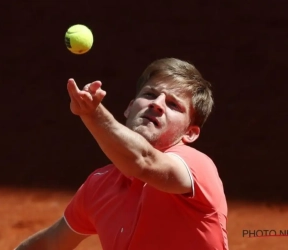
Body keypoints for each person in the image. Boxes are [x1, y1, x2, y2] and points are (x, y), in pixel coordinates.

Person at [15, 58, 228, 250]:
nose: (157, 104)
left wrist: (93, 114)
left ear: (190, 133)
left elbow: (143, 161)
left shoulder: (197, 166)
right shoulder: (99, 186)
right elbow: (51, 243)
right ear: (129, 108)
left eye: (173, 104)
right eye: (149, 94)